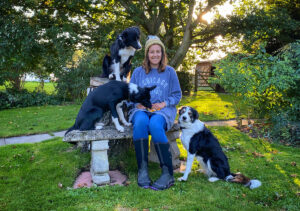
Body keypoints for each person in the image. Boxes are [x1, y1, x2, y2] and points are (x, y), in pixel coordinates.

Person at [128, 35, 182, 190]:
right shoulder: (138, 72)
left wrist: (164, 103)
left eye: (158, 51)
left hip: (163, 110)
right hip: (141, 109)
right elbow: (130, 93)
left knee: (155, 124)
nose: (155, 55)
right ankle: (143, 170)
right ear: (147, 54)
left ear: (162, 54)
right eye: (152, 52)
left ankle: (167, 173)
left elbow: (177, 95)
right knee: (140, 122)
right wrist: (137, 104)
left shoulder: (170, 72)